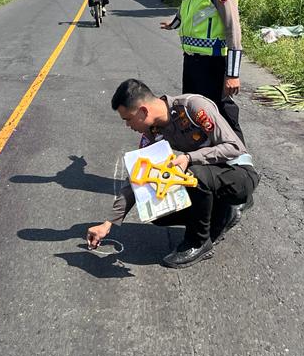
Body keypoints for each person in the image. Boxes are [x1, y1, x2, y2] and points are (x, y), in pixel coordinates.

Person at [85, 79, 258, 269]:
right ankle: (222, 212)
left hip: (239, 173)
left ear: (143, 111)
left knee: (192, 174)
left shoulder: (194, 107)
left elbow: (235, 148)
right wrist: (109, 223)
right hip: (210, 177)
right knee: (155, 209)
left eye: (128, 119)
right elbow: (136, 179)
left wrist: (189, 157)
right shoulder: (152, 133)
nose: (128, 125)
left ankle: (198, 243)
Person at [159, 0, 245, 141]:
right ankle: (207, 162)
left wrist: (232, 74)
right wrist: (173, 24)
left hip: (213, 65)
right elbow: (189, 11)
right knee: (194, 114)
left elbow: (233, 29)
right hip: (192, 62)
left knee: (222, 116)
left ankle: (241, 164)